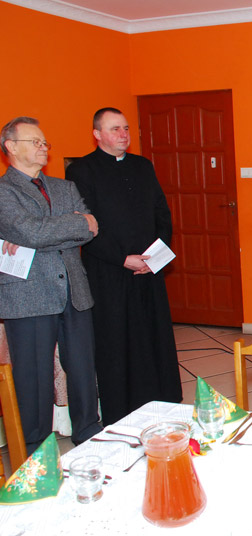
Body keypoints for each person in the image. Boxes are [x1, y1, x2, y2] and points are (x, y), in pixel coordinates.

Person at [66, 107, 182, 425]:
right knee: (116, 343)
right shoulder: (81, 171)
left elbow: (162, 213)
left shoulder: (143, 166)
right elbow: (85, 226)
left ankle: (163, 404)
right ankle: (120, 413)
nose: (123, 134)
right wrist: (122, 258)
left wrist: (156, 256)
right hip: (109, 272)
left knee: (153, 338)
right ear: (97, 134)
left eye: (126, 128)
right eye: (115, 129)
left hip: (148, 269)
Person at [0, 116, 102, 452]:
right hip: (28, 295)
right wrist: (72, 224)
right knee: (33, 377)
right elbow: (29, 231)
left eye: (45, 142)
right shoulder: (3, 191)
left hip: (74, 291)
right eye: (36, 142)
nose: (44, 147)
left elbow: (90, 230)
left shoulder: (64, 187)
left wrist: (42, 234)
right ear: (11, 147)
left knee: (83, 370)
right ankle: (35, 449)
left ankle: (89, 432)